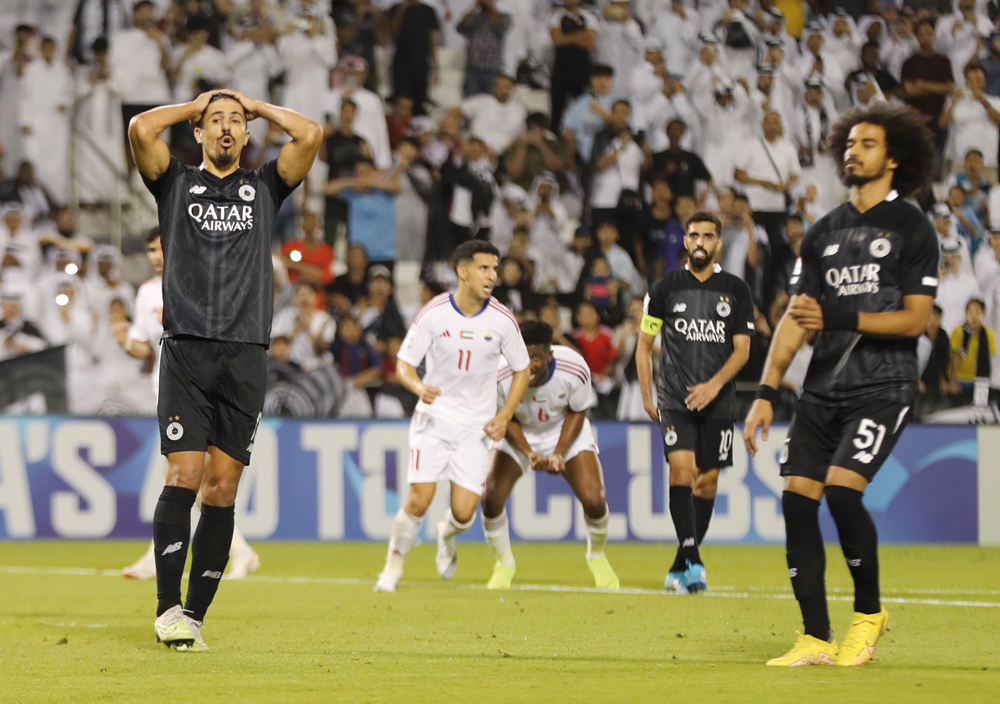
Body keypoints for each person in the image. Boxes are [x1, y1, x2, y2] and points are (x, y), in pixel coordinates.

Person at [744, 102, 939, 667]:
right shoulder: (824, 231)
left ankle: (869, 613)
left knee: (841, 490)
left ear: (894, 158)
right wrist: (765, 390)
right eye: (849, 143)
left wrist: (839, 320)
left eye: (868, 143)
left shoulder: (912, 226)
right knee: (797, 500)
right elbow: (794, 318)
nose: (853, 151)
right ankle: (814, 637)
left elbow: (915, 318)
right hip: (822, 388)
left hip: (884, 385)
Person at [129, 89, 321, 650]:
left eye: (235, 120)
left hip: (245, 354)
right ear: (199, 132)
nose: (227, 127)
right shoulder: (176, 183)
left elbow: (308, 135)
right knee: (184, 477)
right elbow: (142, 129)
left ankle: (194, 614)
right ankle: (167, 609)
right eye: (216, 120)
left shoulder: (263, 187)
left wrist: (259, 106)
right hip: (187, 349)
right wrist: (192, 105)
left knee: (222, 489)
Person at [373, 240, 530, 592]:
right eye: (484, 268)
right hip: (434, 418)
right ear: (463, 272)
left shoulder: (503, 320)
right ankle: (392, 568)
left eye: (494, 268)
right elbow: (404, 364)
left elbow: (522, 370)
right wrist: (418, 388)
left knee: (463, 513)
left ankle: (447, 534)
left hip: (477, 427)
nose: (492, 276)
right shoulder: (434, 312)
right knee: (419, 498)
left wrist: (505, 415)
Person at [117, 229, 262, 581]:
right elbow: (143, 345)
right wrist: (123, 339)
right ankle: (238, 550)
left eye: (161, 247)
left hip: (205, 391)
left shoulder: (200, 281)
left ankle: (220, 551)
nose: (154, 255)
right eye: (150, 249)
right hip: (168, 392)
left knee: (192, 477)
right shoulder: (147, 291)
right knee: (187, 477)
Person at [636, 211, 754, 595]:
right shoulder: (664, 289)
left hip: (719, 402)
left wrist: (713, 386)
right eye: (693, 235)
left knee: (708, 481)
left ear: (718, 243)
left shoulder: (736, 290)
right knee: (682, 472)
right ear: (685, 241)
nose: (700, 242)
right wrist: (646, 393)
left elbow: (742, 351)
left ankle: (680, 565)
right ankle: (694, 558)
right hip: (674, 398)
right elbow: (643, 347)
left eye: (707, 236)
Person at [481, 320, 619, 589]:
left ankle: (597, 556)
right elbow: (504, 419)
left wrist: (558, 453)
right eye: (525, 355)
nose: (530, 364)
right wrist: (530, 453)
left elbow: (578, 411)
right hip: (521, 433)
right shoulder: (500, 374)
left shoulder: (575, 368)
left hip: (564, 430)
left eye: (537, 357)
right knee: (491, 496)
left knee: (594, 499)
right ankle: (504, 563)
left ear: (549, 355)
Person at [950, 298, 996, 384]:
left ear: (984, 315)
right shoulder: (958, 331)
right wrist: (952, 382)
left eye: (978, 312)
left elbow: (991, 359)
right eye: (970, 313)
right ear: (966, 314)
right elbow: (955, 358)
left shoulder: (989, 334)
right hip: (960, 379)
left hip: (981, 380)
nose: (974, 317)